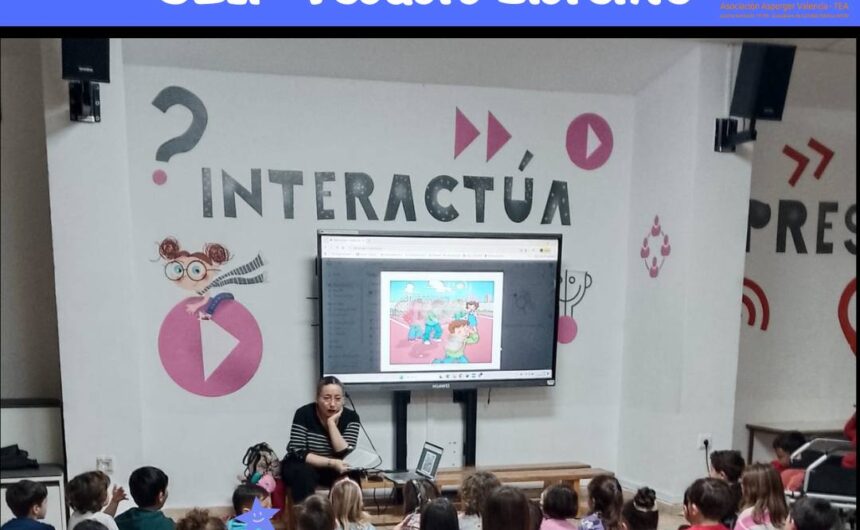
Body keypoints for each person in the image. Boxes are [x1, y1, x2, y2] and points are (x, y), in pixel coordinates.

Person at [281, 376, 362, 503]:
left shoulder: (351, 418)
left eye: (337, 398)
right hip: (304, 464)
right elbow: (299, 452)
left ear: (343, 400)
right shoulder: (303, 413)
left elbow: (344, 453)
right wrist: (332, 462)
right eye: (326, 398)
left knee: (352, 475)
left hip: (333, 467)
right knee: (303, 474)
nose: (332, 404)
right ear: (317, 398)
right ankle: (308, 520)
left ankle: (346, 519)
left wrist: (331, 424)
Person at [733, 464, 788, 530]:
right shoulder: (790, 517)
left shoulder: (747, 517)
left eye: (742, 483)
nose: (741, 487)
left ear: (750, 489)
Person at [709, 450, 745, 528]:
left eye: (712, 470)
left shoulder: (721, 497)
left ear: (722, 475)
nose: (709, 474)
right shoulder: (744, 491)